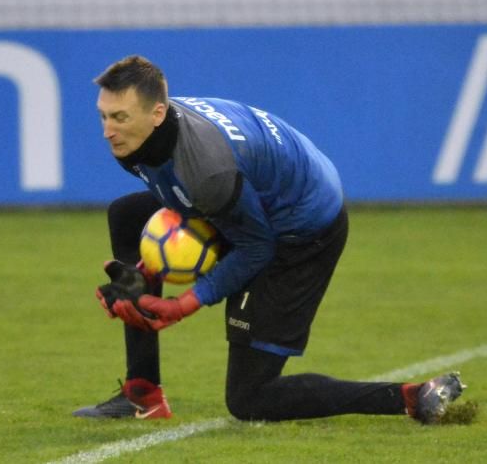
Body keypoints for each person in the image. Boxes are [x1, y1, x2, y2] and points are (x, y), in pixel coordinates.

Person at [74, 55, 465, 423]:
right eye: (103, 116)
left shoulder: (206, 170)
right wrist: (138, 277)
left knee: (250, 397)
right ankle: (142, 393)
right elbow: (181, 198)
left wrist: (185, 304)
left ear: (157, 113)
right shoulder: (136, 138)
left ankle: (412, 397)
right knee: (126, 216)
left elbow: (255, 246)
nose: (108, 130)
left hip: (304, 230)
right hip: (259, 195)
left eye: (119, 117)